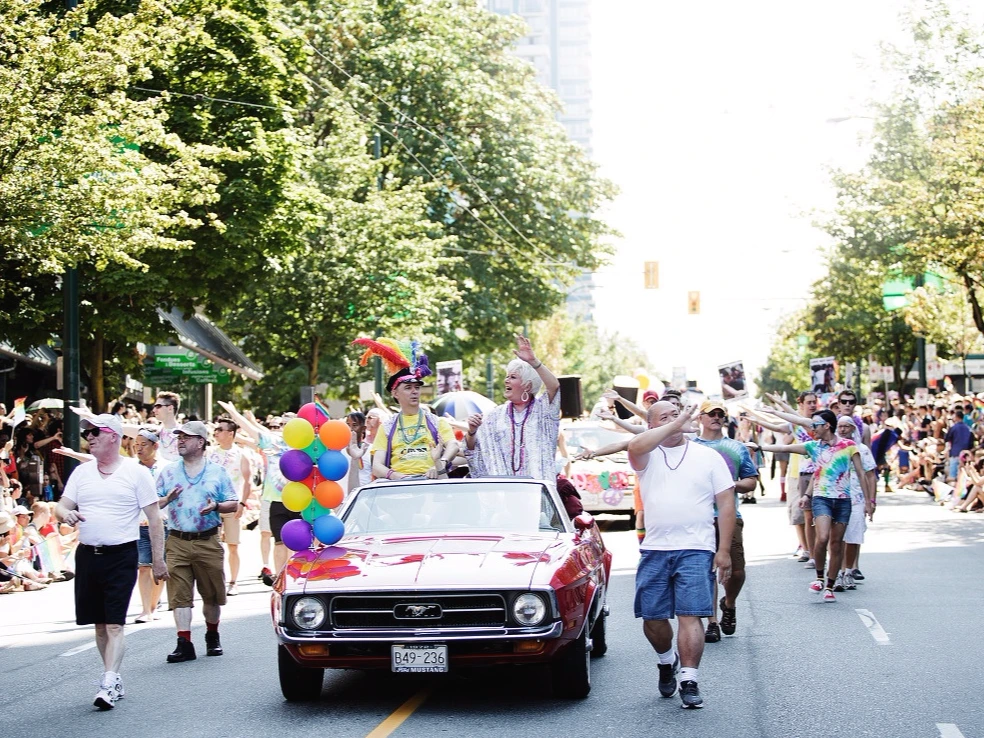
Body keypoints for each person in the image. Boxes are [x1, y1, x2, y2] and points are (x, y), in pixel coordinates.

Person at [55, 414, 168, 710]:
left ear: (114, 437)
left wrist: (158, 560)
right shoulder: (82, 473)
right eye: (87, 433)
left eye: (95, 432)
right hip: (87, 555)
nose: (89, 437)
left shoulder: (136, 473)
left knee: (115, 624)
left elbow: (155, 519)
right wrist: (65, 514)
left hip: (121, 555)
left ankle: (108, 680)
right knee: (100, 625)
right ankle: (112, 677)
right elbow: (61, 505)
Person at [628, 401, 736, 709]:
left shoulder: (708, 456)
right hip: (655, 549)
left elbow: (726, 504)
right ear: (651, 426)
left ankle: (689, 680)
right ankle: (667, 661)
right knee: (652, 617)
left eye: (676, 414)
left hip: (696, 548)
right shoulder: (647, 453)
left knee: (691, 615)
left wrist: (724, 550)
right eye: (664, 418)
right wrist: (674, 425)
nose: (675, 420)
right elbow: (634, 446)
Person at [749, 409, 872, 603]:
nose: (812, 428)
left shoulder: (849, 446)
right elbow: (785, 448)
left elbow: (861, 473)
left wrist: (868, 501)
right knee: (822, 538)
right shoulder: (813, 447)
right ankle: (819, 578)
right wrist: (759, 447)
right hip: (822, 498)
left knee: (836, 543)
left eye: (816, 425)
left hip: (843, 500)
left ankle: (830, 586)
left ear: (827, 426)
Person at [156, 421, 237, 663]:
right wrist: (167, 499)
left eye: (186, 437)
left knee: (211, 594)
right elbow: (152, 503)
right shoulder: (168, 471)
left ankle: (212, 635)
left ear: (201, 442)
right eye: (179, 437)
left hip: (207, 539)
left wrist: (217, 506)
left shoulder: (217, 472)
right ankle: (184, 643)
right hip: (177, 540)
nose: (180, 440)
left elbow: (233, 503)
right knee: (179, 596)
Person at [692, 401, 758, 643]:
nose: (716, 417)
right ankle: (712, 623)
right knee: (706, 571)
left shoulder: (736, 447)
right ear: (700, 418)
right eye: (711, 413)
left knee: (736, 571)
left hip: (729, 516)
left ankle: (729, 603)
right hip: (698, 518)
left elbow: (751, 481)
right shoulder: (690, 447)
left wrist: (729, 485)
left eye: (721, 414)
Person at [353, 337, 459, 480]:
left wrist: (440, 464)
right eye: (408, 388)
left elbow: (453, 445)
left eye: (417, 387)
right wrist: (398, 477)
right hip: (400, 487)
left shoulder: (437, 422)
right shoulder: (387, 426)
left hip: (431, 484)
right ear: (395, 393)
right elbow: (377, 467)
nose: (414, 391)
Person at [464, 335, 560, 482]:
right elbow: (472, 450)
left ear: (527, 385)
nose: (506, 380)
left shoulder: (543, 411)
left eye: (512, 377)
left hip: (536, 488)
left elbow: (554, 386)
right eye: (507, 377)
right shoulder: (494, 415)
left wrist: (533, 361)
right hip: (505, 489)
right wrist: (472, 431)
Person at [206, 416, 252, 596]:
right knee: (212, 546)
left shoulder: (241, 455)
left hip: (232, 505)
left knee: (233, 545)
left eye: (220, 430)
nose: (216, 432)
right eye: (216, 429)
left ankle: (233, 581)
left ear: (230, 433)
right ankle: (215, 581)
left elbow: (248, 481)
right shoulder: (210, 453)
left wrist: (242, 503)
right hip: (213, 506)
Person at [132, 428, 168, 623]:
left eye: (143, 445)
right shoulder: (131, 467)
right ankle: (146, 609)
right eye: (136, 445)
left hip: (162, 524)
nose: (139, 448)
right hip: (138, 524)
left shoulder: (167, 467)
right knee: (143, 566)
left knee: (159, 566)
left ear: (155, 446)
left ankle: (153, 605)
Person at [152, 392, 181, 462]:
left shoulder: (185, 433)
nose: (154, 410)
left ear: (170, 408)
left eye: (158, 406)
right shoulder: (154, 431)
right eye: (154, 407)